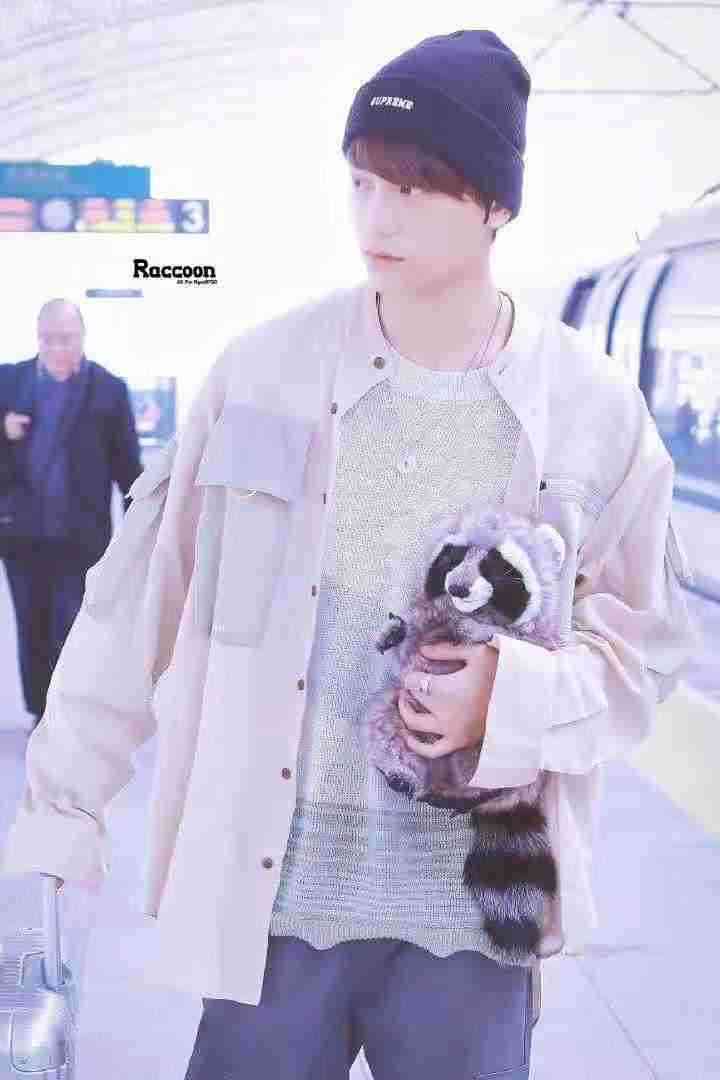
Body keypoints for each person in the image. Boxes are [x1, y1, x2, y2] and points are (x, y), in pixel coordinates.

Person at [1, 30, 699, 1080]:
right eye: (364, 182)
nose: (379, 217)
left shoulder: (592, 413)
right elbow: (135, 606)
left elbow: (645, 655)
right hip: (271, 910)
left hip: (472, 930)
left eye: (415, 187)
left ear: (496, 203)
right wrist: (60, 822)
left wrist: (508, 699)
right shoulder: (263, 374)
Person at [0, 299, 142, 728]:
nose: (57, 348)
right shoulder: (9, 380)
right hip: (20, 535)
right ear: (37, 337)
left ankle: (68, 718)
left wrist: (143, 531)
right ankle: (41, 716)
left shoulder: (108, 389)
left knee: (71, 630)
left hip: (81, 537)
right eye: (48, 340)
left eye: (66, 339)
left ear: (82, 337)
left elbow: (127, 467)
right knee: (32, 629)